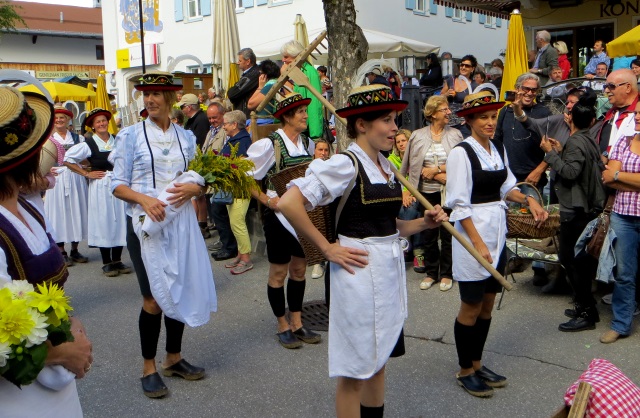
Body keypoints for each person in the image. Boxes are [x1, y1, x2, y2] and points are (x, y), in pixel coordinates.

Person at [278, 84, 448, 417]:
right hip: (357, 275)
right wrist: (327, 248)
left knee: (378, 360)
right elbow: (289, 202)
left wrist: (425, 224)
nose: (395, 127)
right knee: (355, 371)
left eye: (395, 119)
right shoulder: (345, 164)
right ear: (361, 125)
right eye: (386, 119)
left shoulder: (385, 166)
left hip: (386, 271)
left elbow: (391, 227)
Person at [110, 71, 217, 398]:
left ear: (171, 99)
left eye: (157, 94)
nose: (151, 99)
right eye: (146, 93)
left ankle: (173, 357)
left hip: (181, 224)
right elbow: (116, 184)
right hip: (145, 226)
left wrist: (197, 187)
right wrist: (144, 199)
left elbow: (202, 177)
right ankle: (149, 367)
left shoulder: (186, 137)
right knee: (153, 297)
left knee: (179, 289)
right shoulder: (129, 136)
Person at [446, 91, 548, 397]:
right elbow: (459, 205)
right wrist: (476, 243)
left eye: (493, 117)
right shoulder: (460, 153)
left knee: (488, 305)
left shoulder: (496, 147)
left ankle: (477, 363)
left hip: (497, 233)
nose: (490, 123)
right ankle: (465, 370)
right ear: (470, 121)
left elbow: (506, 187)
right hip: (472, 236)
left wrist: (529, 200)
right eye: (483, 118)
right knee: (471, 305)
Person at [0, 86, 93, 418]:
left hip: (56, 387)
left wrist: (73, 323)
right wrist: (59, 353)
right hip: (17, 396)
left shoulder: (27, 208)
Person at [246, 92, 320, 349]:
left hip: (301, 213)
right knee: (278, 272)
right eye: (300, 112)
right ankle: (282, 324)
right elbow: (245, 178)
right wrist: (267, 201)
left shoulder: (308, 144)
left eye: (304, 112)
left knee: (299, 270)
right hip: (278, 216)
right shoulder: (271, 144)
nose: (304, 116)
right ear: (286, 116)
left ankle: (297, 322)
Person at [540, 89, 604, 332]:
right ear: (591, 121)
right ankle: (584, 305)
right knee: (577, 261)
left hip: (576, 209)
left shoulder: (577, 141)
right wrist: (559, 151)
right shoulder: (586, 138)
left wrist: (550, 154)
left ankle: (586, 311)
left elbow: (569, 172)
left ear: (570, 119)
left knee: (573, 260)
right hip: (584, 208)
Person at [494, 73, 552, 286]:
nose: (529, 93)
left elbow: (552, 146)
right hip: (509, 177)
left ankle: (539, 267)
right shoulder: (505, 112)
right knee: (510, 221)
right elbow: (497, 141)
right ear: (517, 89)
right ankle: (514, 259)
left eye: (533, 90)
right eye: (525, 89)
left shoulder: (542, 112)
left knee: (538, 222)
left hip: (533, 177)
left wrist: (540, 169)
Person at [401, 95, 462, 291]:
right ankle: (431, 273)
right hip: (424, 193)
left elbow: (461, 164)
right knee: (428, 233)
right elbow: (406, 166)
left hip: (449, 192)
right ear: (433, 113)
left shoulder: (455, 136)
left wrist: (436, 171)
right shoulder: (417, 136)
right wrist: (405, 189)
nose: (449, 113)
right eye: (445, 110)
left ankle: (446, 274)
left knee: (448, 233)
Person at [63, 108, 131, 277]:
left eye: (104, 120)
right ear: (92, 126)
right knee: (104, 221)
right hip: (100, 186)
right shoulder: (89, 144)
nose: (102, 124)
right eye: (98, 122)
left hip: (118, 184)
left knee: (119, 220)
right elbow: (68, 160)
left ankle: (117, 260)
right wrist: (86, 173)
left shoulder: (117, 140)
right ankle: (107, 262)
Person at [600, 101, 640, 343]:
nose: (636, 118)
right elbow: (608, 178)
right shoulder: (624, 142)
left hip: (627, 211)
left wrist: (619, 175)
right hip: (623, 216)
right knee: (624, 274)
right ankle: (621, 324)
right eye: (636, 113)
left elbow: (615, 175)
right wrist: (620, 177)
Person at [44, 106, 89, 267]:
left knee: (76, 210)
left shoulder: (79, 139)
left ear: (68, 120)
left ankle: (75, 249)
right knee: (59, 212)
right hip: (57, 177)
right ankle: (61, 250)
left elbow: (85, 160)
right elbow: (41, 160)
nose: (59, 120)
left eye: (62, 117)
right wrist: (46, 168)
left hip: (75, 177)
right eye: (56, 118)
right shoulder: (48, 140)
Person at [219, 110, 253, 275]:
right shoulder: (236, 139)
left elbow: (242, 164)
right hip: (232, 188)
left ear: (234, 124)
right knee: (234, 222)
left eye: (226, 123)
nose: (224, 126)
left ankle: (246, 259)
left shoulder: (243, 141)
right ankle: (241, 254)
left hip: (240, 187)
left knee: (237, 222)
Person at [179, 93, 211, 238]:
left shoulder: (201, 120)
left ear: (189, 107)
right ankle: (199, 224)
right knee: (197, 196)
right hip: (195, 160)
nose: (182, 111)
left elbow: (200, 142)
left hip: (199, 161)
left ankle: (202, 225)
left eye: (183, 107)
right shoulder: (194, 120)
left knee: (199, 195)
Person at [281, 40, 324, 139]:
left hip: (307, 130)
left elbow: (314, 103)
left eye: (286, 57)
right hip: (299, 126)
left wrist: (315, 135)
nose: (283, 60)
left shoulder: (309, 71)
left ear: (295, 55)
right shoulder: (298, 70)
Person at [310, 137, 333, 280]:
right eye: (320, 150)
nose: (323, 153)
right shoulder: (308, 167)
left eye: (326, 150)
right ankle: (317, 261)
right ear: (314, 151)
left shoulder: (332, 165)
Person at [441, 55, 479, 127]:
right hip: (448, 121)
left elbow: (476, 105)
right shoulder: (451, 80)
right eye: (462, 65)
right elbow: (439, 98)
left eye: (467, 66)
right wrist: (446, 94)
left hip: (463, 123)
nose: (463, 67)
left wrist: (469, 119)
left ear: (472, 69)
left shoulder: (474, 85)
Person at [228, 47, 260, 118]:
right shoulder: (250, 74)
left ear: (248, 61)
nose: (237, 63)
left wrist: (233, 89)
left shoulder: (253, 74)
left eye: (240, 60)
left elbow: (232, 94)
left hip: (247, 115)